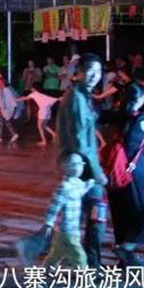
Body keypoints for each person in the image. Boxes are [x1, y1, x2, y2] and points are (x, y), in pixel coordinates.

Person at [56, 53, 107, 268]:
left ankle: (81, 261)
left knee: (79, 215)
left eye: (99, 71)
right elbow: (80, 140)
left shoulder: (83, 95)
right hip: (81, 166)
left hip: (82, 164)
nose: (95, 76)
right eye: (91, 71)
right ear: (80, 72)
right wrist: (97, 172)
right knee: (95, 214)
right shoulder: (76, 97)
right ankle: (90, 265)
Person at [107, 87, 144, 266]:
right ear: (140, 99)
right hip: (136, 169)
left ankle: (123, 254)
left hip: (118, 169)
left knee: (124, 209)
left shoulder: (120, 115)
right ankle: (126, 248)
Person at [40, 152, 96, 268]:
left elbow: (79, 192)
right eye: (73, 165)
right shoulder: (64, 187)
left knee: (55, 256)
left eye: (79, 164)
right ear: (65, 167)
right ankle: (85, 278)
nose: (77, 168)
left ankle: (43, 274)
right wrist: (49, 223)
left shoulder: (77, 183)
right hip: (68, 231)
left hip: (69, 231)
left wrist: (88, 185)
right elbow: (54, 206)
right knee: (80, 257)